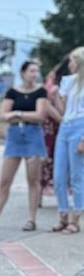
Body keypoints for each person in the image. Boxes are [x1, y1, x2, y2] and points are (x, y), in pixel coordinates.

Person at [0, 60, 48, 231]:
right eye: (31, 71)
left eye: (36, 71)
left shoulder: (41, 91)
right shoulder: (12, 92)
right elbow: (3, 115)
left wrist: (17, 113)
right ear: (23, 73)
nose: (34, 74)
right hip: (15, 136)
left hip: (33, 135)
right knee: (5, 180)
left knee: (33, 180)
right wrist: (17, 116)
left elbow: (40, 115)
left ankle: (31, 219)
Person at [52, 46, 84, 234]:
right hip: (66, 126)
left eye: (72, 60)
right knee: (59, 176)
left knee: (77, 175)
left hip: (80, 126)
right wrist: (57, 96)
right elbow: (63, 109)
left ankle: (75, 217)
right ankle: (62, 213)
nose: (70, 64)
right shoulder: (68, 82)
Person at [40, 58, 69, 204]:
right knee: (48, 156)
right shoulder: (55, 81)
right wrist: (62, 119)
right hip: (53, 124)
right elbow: (47, 101)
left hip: (63, 122)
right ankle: (40, 191)